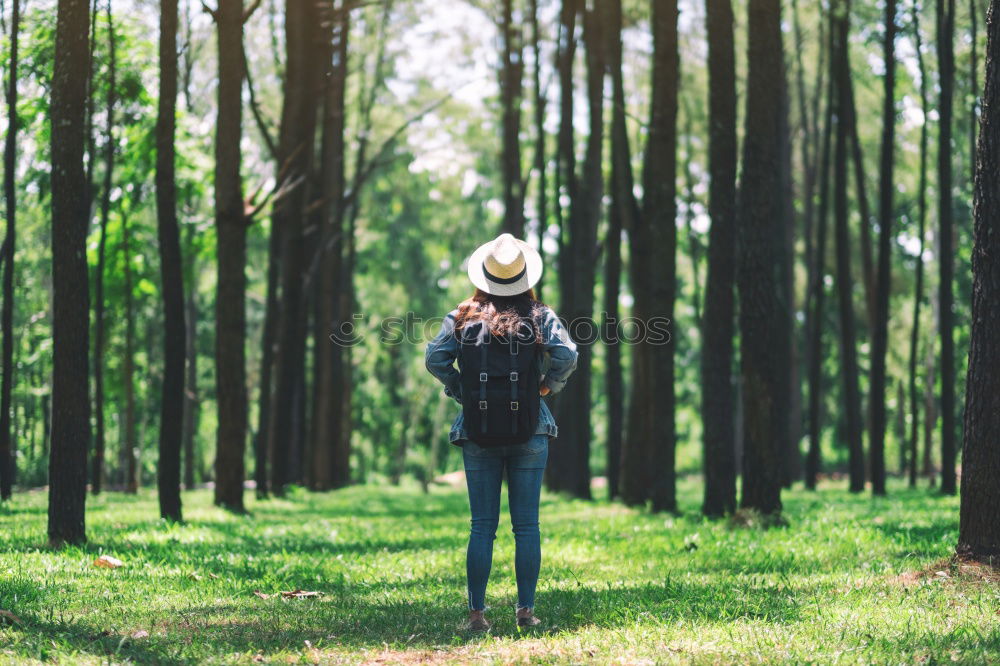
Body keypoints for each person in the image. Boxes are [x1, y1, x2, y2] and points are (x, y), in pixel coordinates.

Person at [425, 233, 578, 632]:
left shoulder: (461, 315)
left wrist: (463, 391)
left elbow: (435, 358)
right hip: (531, 430)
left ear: (484, 276)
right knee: (526, 526)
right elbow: (568, 354)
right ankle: (525, 612)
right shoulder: (539, 315)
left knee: (482, 526)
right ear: (524, 276)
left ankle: (477, 615)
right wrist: (545, 386)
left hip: (476, 431)